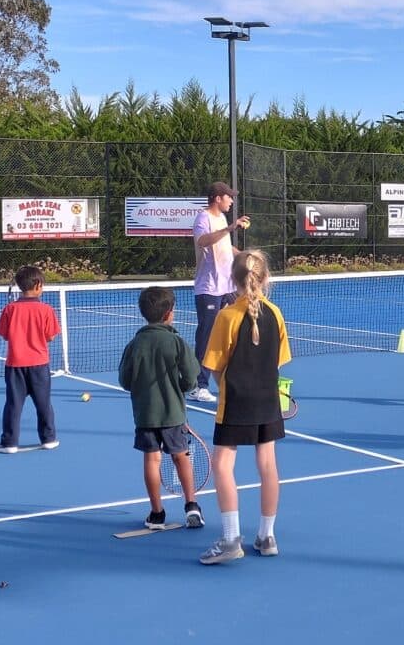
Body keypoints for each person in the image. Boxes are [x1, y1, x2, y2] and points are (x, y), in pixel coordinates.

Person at [198, 249, 291, 565]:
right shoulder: (276, 313)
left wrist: (230, 380)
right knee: (268, 463)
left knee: (223, 463)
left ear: (232, 279)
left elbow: (213, 365)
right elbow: (278, 360)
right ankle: (267, 536)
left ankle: (230, 540)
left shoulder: (226, 317)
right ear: (265, 278)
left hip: (236, 400)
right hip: (267, 399)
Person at [118, 286, 205, 530]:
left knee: (151, 459)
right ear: (169, 312)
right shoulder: (177, 342)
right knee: (182, 457)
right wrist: (178, 388)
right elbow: (190, 379)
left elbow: (125, 381)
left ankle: (157, 514)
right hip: (173, 414)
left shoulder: (135, 344)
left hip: (145, 415)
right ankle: (192, 507)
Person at [190, 181, 251, 402]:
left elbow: (225, 246)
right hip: (208, 288)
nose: (232, 200)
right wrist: (229, 228)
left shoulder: (222, 218)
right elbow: (203, 241)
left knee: (241, 326)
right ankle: (200, 386)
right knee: (206, 337)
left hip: (228, 287)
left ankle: (235, 378)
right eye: (229, 197)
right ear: (218, 198)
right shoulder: (203, 218)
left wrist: (245, 255)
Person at [0, 265, 61, 453]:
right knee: (44, 403)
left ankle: (9, 443)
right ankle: (49, 439)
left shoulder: (9, 309)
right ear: (38, 285)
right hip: (39, 365)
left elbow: (5, 335)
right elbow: (51, 336)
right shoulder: (46, 310)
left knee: (13, 405)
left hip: (15, 365)